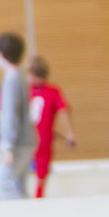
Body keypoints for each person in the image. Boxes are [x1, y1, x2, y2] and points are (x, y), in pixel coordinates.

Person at [0, 32, 38, 200]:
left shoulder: (11, 78)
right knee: (19, 185)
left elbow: (10, 114)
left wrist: (7, 145)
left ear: (1, 54)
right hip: (27, 140)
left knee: (0, 185)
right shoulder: (21, 75)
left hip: (17, 143)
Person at [27, 56, 76, 198]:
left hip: (26, 140)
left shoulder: (26, 90)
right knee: (41, 177)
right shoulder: (53, 91)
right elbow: (64, 110)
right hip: (43, 139)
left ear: (32, 74)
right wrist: (69, 134)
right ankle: (39, 196)